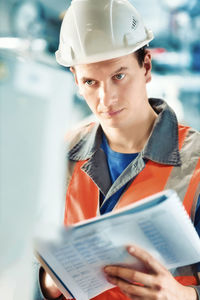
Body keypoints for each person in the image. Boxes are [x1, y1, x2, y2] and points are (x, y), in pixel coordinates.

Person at [36, 0, 200, 299]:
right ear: (75, 79)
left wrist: (182, 295)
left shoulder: (197, 163)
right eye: (90, 82)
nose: (106, 98)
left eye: (118, 76)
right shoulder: (60, 155)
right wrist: (48, 282)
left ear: (146, 66)